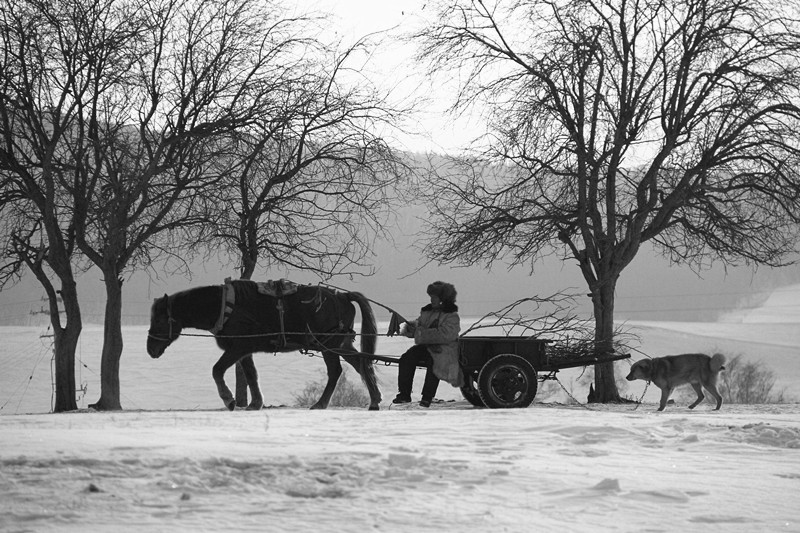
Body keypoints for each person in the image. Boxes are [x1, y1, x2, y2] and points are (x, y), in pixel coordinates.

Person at [393, 281, 463, 407]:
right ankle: (404, 395)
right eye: (431, 297)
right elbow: (419, 324)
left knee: (435, 364)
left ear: (442, 298)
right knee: (406, 359)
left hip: (444, 349)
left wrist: (420, 333)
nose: (431, 300)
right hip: (426, 347)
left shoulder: (452, 316)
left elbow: (446, 335)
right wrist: (408, 328)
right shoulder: (427, 312)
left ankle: (427, 397)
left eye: (434, 298)